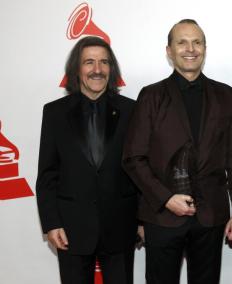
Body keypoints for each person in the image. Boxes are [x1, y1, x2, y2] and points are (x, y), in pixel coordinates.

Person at [122, 19, 232, 284]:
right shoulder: (151, 96)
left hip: (210, 217)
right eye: (182, 42)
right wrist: (166, 198)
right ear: (169, 50)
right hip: (162, 217)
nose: (190, 48)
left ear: (204, 47)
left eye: (197, 42)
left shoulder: (226, 96)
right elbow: (133, 158)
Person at [36, 36, 137, 284]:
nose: (97, 69)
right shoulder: (54, 113)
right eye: (89, 62)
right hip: (71, 229)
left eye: (104, 62)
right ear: (76, 68)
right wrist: (51, 223)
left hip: (121, 227)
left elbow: (139, 169)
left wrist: (143, 220)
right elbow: (48, 174)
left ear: (111, 69)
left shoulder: (131, 110)